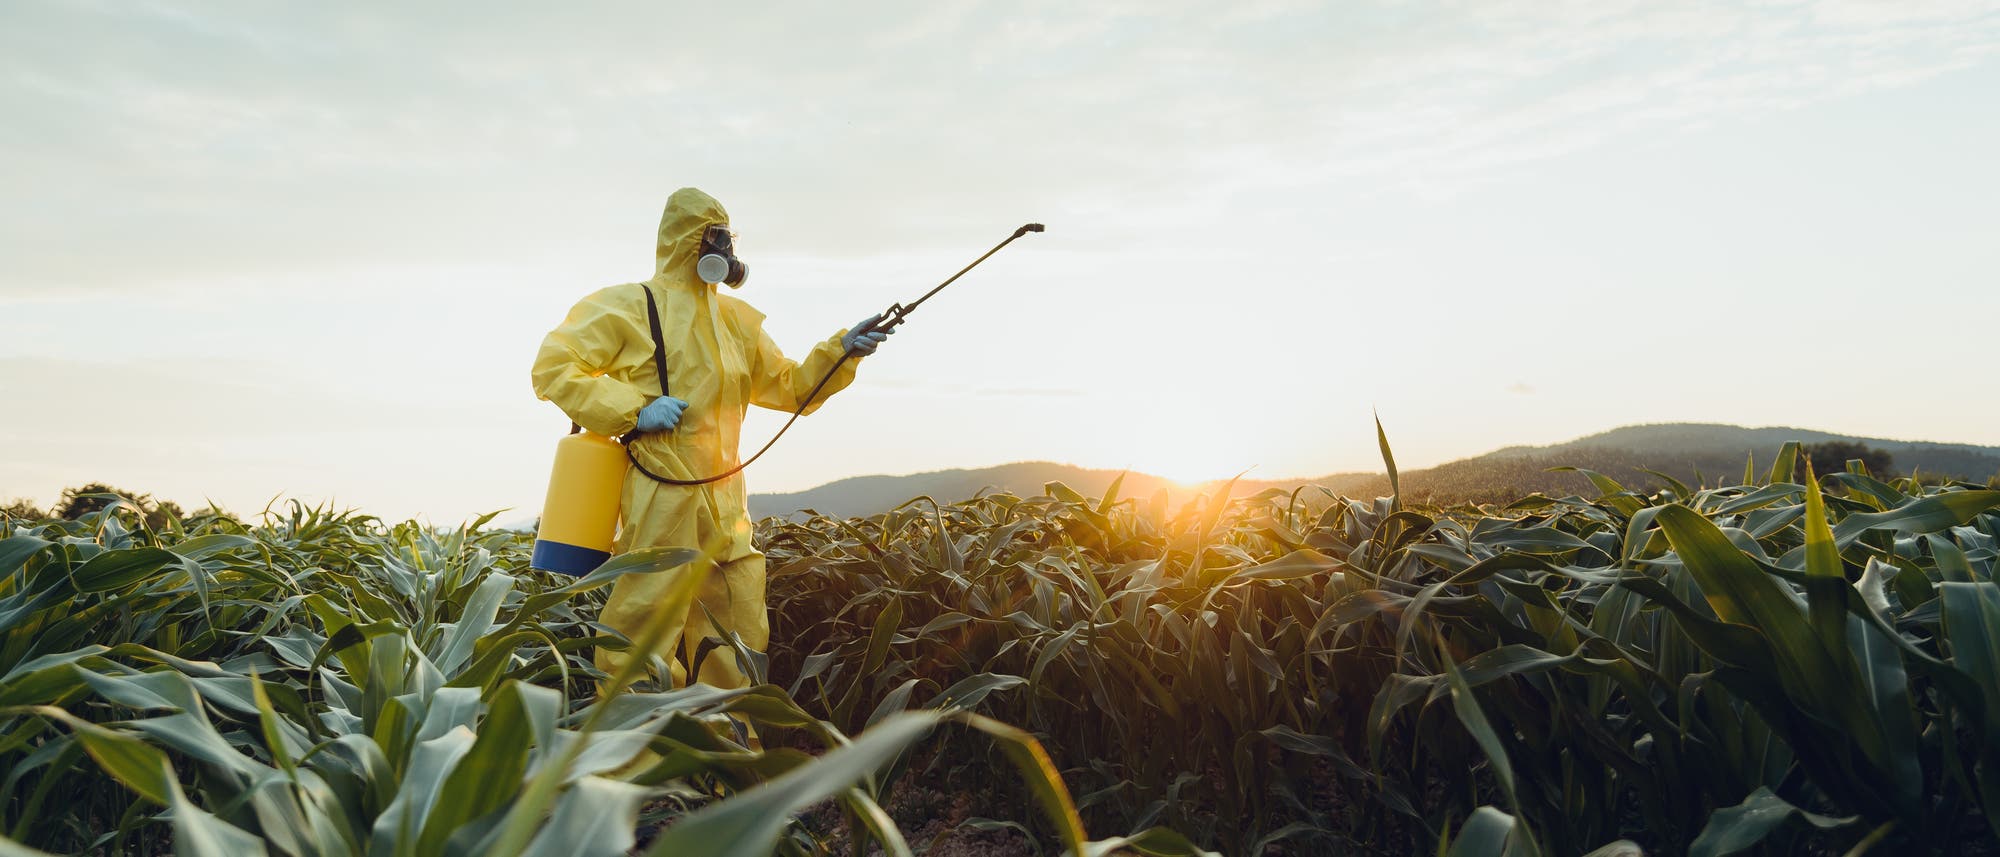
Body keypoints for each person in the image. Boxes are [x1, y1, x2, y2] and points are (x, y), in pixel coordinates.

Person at [531, 187, 890, 690]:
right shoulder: (630, 306)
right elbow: (553, 367)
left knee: (738, 631)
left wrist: (842, 352)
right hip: (662, 491)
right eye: (714, 238)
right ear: (687, 242)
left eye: (726, 239)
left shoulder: (736, 321)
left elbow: (789, 387)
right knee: (641, 632)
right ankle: (636, 754)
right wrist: (634, 411)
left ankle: (727, 753)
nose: (723, 251)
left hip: (727, 499)